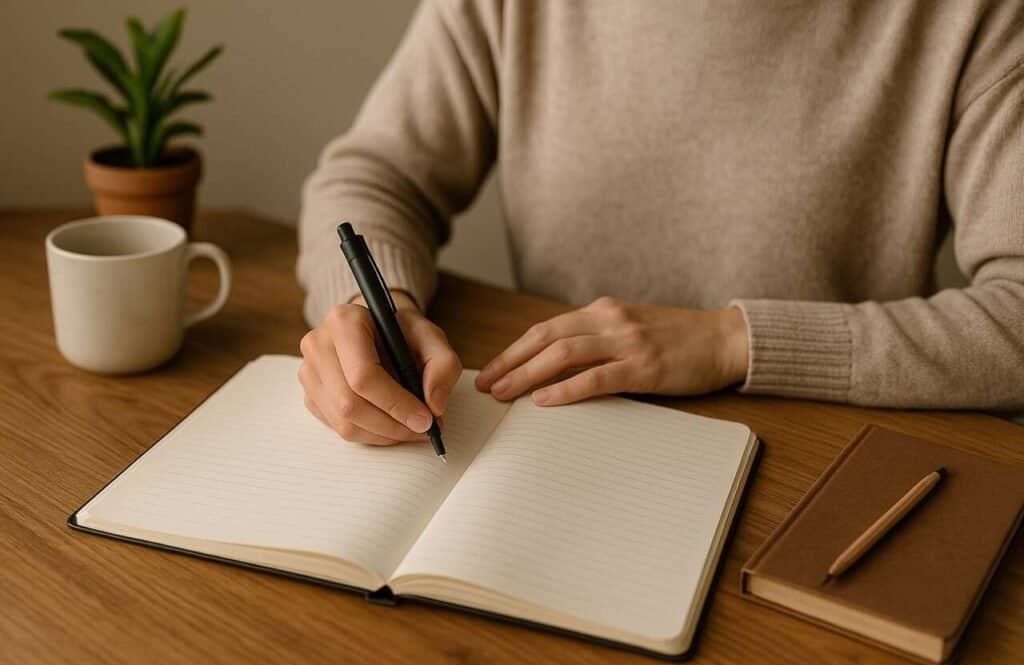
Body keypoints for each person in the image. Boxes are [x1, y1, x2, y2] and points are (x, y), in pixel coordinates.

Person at [297, 1, 1024, 446]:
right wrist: (375, 304)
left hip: (826, 464)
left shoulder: (974, 16)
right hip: (556, 438)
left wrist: (731, 341)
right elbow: (372, 175)